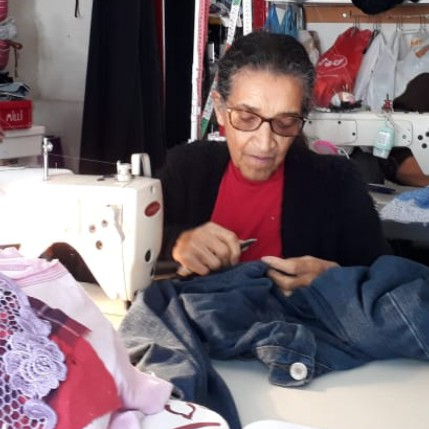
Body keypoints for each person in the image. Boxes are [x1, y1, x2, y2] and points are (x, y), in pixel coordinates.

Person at [155, 31, 390, 293]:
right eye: (247, 118)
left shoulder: (338, 185)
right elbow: (126, 241)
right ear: (220, 109)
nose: (265, 143)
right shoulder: (185, 170)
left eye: (285, 123)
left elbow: (387, 284)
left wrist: (336, 279)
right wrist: (175, 243)